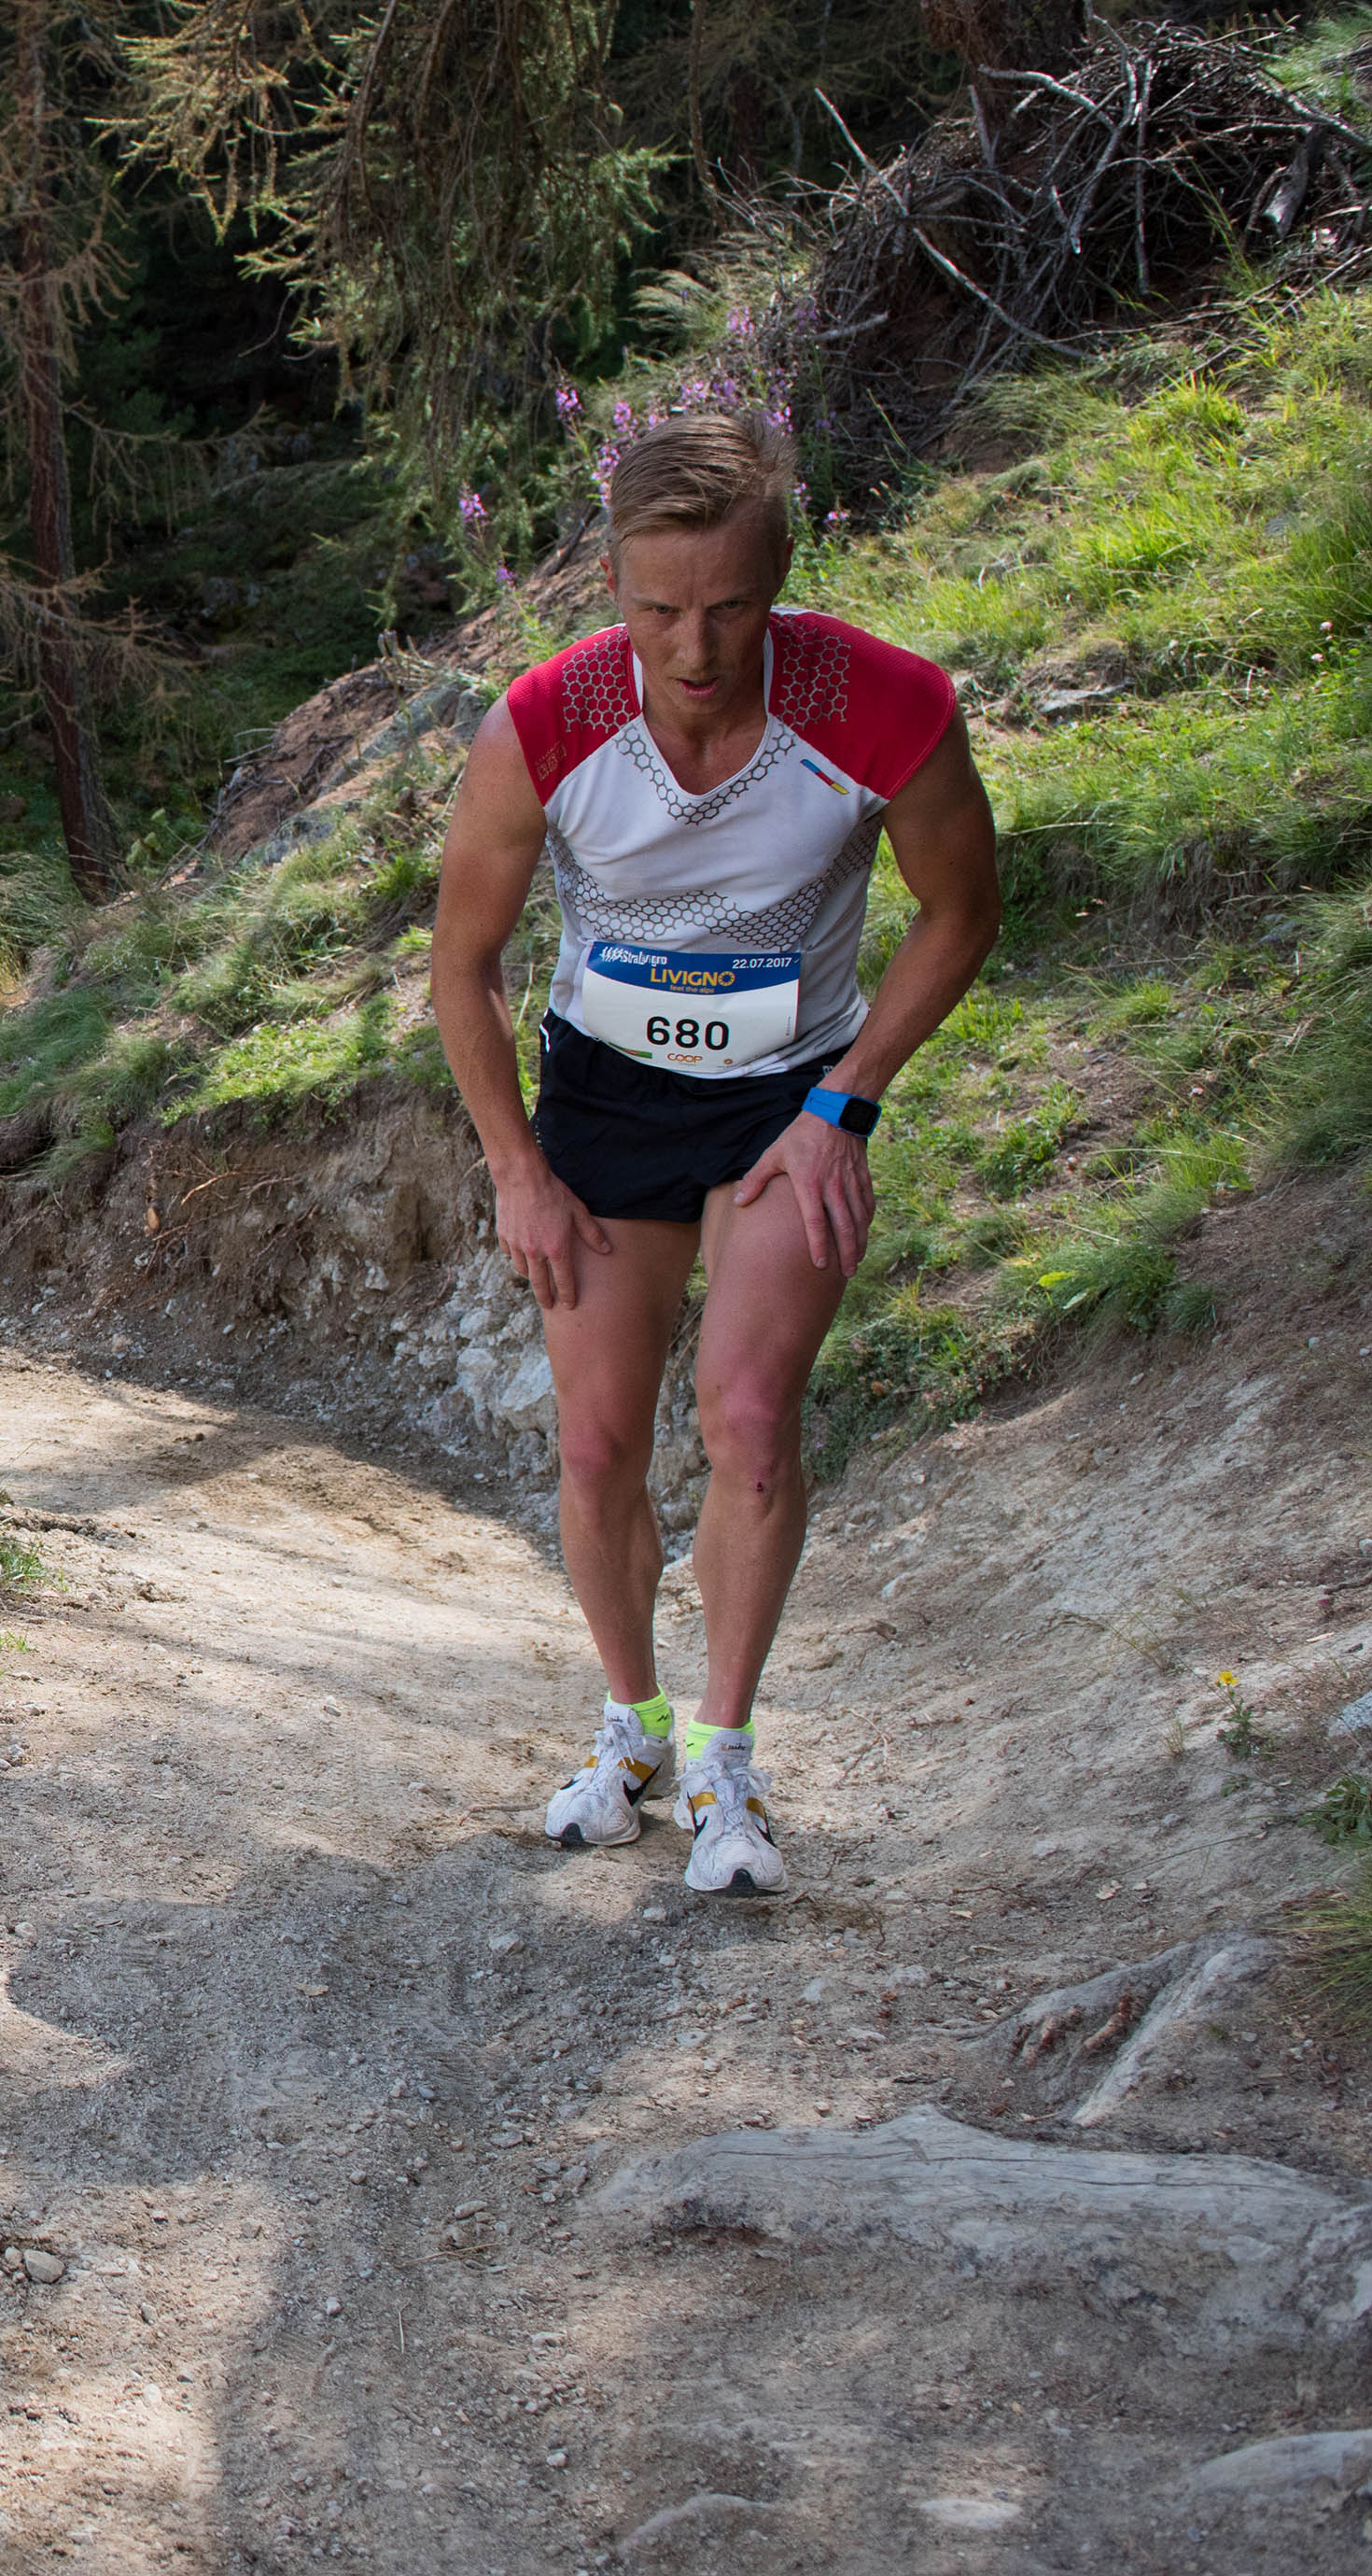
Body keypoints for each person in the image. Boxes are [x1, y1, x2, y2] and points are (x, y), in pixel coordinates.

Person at [427, 412, 1001, 1897]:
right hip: (605, 1099)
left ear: (779, 580)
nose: (693, 647)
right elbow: (463, 964)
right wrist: (516, 1170)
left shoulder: (882, 706)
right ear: (610, 583)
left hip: (783, 1101)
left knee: (744, 1418)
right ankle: (629, 1728)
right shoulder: (545, 722)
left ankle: (722, 1760)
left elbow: (958, 912)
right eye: (657, 609)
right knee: (597, 1441)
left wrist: (847, 1103)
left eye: (731, 606)